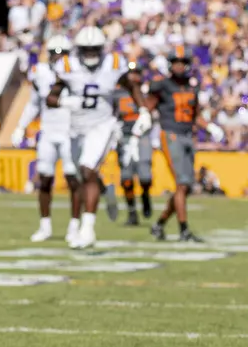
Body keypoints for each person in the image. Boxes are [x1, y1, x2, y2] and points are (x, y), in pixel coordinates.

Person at [50, 26, 150, 249]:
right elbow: (50, 98)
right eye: (87, 49)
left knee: (87, 169)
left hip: (103, 125)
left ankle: (88, 228)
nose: (91, 54)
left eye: (95, 49)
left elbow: (131, 85)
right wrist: (64, 102)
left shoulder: (113, 63)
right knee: (79, 177)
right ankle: (103, 189)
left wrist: (143, 110)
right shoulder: (67, 66)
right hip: (76, 128)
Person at [18, 35, 83, 245]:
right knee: (45, 178)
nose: (58, 58)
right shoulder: (40, 73)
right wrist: (21, 125)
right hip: (48, 130)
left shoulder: (77, 72)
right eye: (54, 53)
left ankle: (75, 226)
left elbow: (84, 100)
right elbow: (34, 104)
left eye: (61, 53)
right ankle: (45, 226)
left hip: (70, 131)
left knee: (73, 179)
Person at [148, 45, 202, 241]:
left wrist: (210, 127)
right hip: (171, 134)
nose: (179, 66)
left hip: (187, 135)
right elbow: (148, 106)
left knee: (186, 187)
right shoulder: (162, 85)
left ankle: (159, 224)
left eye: (183, 63)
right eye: (176, 62)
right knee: (182, 183)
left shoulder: (192, 85)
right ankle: (184, 229)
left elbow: (196, 113)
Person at [116, 69, 155, 227]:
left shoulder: (147, 92)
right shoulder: (117, 93)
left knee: (145, 176)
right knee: (126, 178)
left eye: (136, 73)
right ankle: (132, 212)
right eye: (131, 73)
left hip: (142, 137)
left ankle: (145, 195)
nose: (133, 77)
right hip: (124, 136)